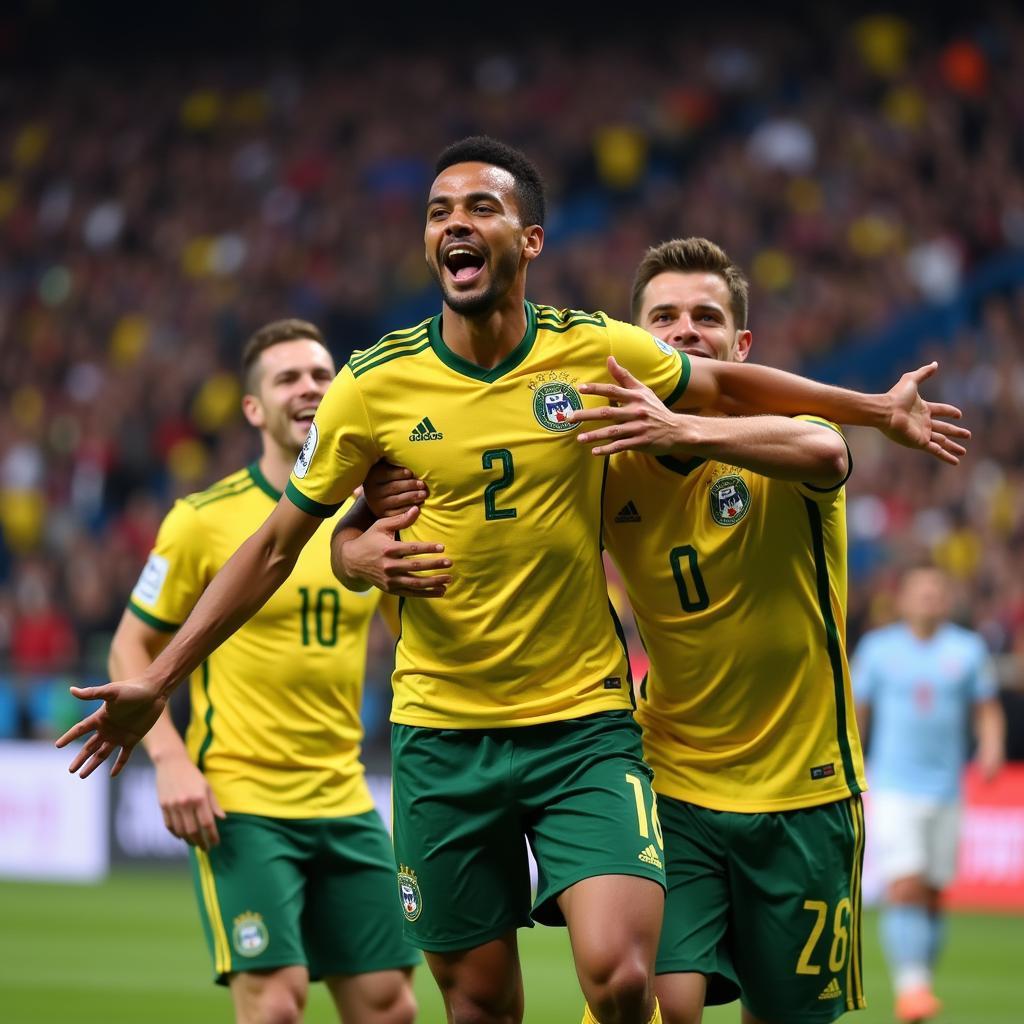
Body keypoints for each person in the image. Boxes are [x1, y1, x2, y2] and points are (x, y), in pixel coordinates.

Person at [59, 137, 966, 1024]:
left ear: (529, 240)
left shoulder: (595, 359)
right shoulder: (374, 386)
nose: (456, 223)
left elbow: (731, 392)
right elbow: (274, 543)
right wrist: (190, 658)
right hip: (441, 736)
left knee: (621, 979)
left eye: (481, 207)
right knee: (478, 1001)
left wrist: (877, 409)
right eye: (439, 212)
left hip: (585, 727)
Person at [349, 237, 967, 1024]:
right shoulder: (607, 462)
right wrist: (349, 546)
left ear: (740, 346)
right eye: (663, 317)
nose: (684, 330)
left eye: (706, 317)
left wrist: (685, 432)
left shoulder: (780, 436)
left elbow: (824, 446)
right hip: (670, 775)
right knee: (649, 997)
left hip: (805, 791)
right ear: (637, 344)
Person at [106, 318, 418, 1024]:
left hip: (343, 797)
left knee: (390, 1006)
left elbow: (405, 632)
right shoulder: (200, 520)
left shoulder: (362, 517)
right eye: (287, 378)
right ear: (253, 408)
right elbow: (130, 647)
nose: (309, 388)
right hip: (241, 801)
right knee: (276, 1003)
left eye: (320, 375)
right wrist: (169, 760)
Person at [853, 565, 1005, 1024]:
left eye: (937, 592)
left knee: (935, 893)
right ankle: (912, 988)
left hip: (946, 788)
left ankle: (920, 980)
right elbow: (857, 710)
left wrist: (992, 746)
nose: (930, 599)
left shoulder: (967, 649)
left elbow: (986, 708)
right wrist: (851, 763)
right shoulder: (879, 650)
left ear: (947, 599)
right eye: (921, 592)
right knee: (905, 885)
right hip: (894, 786)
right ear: (903, 600)